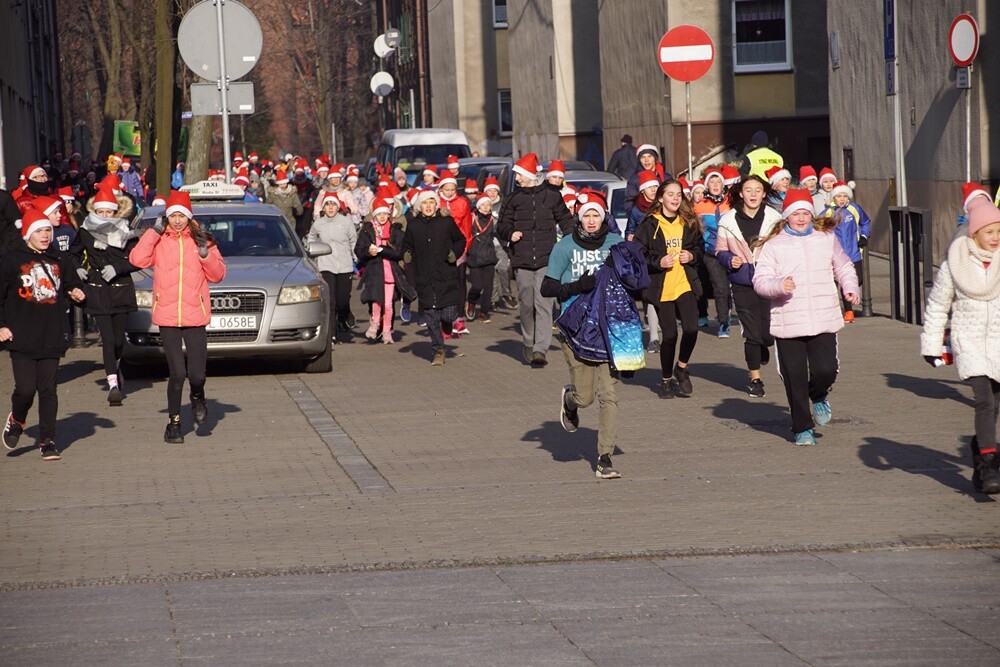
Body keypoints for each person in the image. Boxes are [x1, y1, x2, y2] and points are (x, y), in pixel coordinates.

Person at [752, 189, 860, 446]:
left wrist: (850, 288)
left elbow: (843, 266)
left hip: (823, 318)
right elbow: (760, 280)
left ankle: (819, 395)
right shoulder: (774, 245)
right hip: (788, 320)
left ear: (812, 214)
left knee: (826, 370)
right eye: (795, 214)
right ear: (786, 216)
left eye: (805, 213)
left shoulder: (825, 237)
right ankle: (802, 428)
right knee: (794, 376)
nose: (801, 219)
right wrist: (779, 285)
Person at [128, 191, 226, 444]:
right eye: (173, 216)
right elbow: (137, 259)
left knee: (197, 375)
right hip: (168, 315)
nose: (178, 220)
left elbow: (218, 275)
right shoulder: (160, 239)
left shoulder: (202, 239)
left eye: (182, 215)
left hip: (195, 314)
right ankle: (174, 425)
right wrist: (153, 232)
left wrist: (205, 254)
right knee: (177, 374)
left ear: (189, 216)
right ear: (166, 217)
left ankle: (198, 396)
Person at [541, 190, 625, 479]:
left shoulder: (616, 243)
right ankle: (570, 401)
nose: (591, 220)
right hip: (574, 328)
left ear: (604, 218)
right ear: (579, 217)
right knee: (586, 397)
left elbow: (632, 280)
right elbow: (548, 288)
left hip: (607, 329)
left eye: (596, 215)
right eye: (586, 215)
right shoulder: (564, 247)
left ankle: (604, 458)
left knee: (609, 395)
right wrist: (578, 286)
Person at [921, 198, 1000, 494]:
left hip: (998, 341)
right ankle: (990, 464)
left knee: (995, 405)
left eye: (999, 231)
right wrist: (931, 344)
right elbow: (938, 305)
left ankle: (981, 459)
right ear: (974, 233)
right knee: (984, 400)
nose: (995, 238)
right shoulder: (956, 262)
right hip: (968, 340)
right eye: (989, 232)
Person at [0, 208, 87, 459]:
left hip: (52, 333)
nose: (45, 235)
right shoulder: (11, 259)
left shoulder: (60, 259)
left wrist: (78, 293)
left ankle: (48, 440)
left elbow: (71, 285)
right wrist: (2, 324)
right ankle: (17, 419)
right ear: (28, 234)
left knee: (48, 390)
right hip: (21, 335)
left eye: (48, 230)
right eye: (39, 230)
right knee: (26, 389)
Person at [497, 153, 576, 367]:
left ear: (530, 175)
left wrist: (572, 242)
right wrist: (510, 233)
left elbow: (566, 220)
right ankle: (528, 341)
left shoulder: (551, 195)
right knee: (527, 304)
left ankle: (540, 349)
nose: (517, 179)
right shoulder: (513, 199)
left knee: (544, 304)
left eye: (519, 175)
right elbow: (501, 226)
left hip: (547, 259)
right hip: (522, 260)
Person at [69, 188, 141, 406]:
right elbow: (72, 254)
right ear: (94, 210)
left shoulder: (125, 231)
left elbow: (137, 259)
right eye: (100, 211)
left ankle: (116, 370)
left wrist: (117, 267)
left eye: (108, 212)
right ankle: (113, 386)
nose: (104, 215)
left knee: (119, 341)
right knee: (108, 340)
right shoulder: (85, 231)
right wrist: (77, 270)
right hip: (97, 289)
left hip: (120, 288)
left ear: (115, 212)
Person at [634, 180, 704, 399]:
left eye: (679, 194)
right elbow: (638, 255)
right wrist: (658, 262)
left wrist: (692, 256)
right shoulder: (649, 225)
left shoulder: (688, 222)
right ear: (661, 198)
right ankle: (665, 380)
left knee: (692, 329)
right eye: (670, 194)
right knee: (670, 335)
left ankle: (681, 368)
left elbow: (700, 249)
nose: (675, 198)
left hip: (684, 283)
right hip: (661, 288)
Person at [715, 175, 781, 397]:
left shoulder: (775, 219)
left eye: (757, 190)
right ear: (741, 193)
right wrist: (728, 260)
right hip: (742, 279)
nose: (753, 194)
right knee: (751, 333)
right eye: (748, 190)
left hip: (767, 279)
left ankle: (764, 344)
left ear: (764, 193)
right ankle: (756, 379)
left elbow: (783, 248)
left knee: (767, 334)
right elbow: (720, 251)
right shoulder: (727, 221)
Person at [388, 189, 465, 366]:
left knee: (448, 313)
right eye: (424, 203)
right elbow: (407, 246)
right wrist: (406, 254)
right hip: (425, 277)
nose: (428, 206)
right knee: (430, 316)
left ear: (437, 204)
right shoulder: (414, 226)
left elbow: (460, 240)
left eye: (431, 202)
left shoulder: (446, 222)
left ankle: (447, 323)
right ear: (418, 207)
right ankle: (438, 350)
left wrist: (454, 253)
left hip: (446, 275)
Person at [355, 190, 412, 345]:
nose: (382, 217)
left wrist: (382, 250)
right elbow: (358, 250)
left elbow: (400, 252)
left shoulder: (395, 229)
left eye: (385, 214)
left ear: (389, 214)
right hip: (375, 271)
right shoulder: (368, 229)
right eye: (379, 214)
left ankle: (387, 331)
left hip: (391, 272)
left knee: (388, 304)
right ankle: (374, 325)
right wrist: (368, 251)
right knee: (376, 301)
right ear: (374, 215)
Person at [307, 191, 357, 342]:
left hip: (345, 265)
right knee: (331, 301)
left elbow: (353, 239)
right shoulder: (318, 223)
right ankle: (332, 333)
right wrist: (311, 253)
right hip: (325, 265)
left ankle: (346, 313)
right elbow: (311, 238)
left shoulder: (346, 222)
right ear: (323, 207)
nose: (330, 208)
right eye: (327, 204)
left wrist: (355, 256)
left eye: (333, 204)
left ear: (338, 207)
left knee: (342, 300)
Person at [693, 167, 733, 337]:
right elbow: (696, 231)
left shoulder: (731, 203)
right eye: (712, 182)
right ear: (706, 184)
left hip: (732, 250)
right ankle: (723, 323)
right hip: (711, 252)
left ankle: (727, 316)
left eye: (718, 182)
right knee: (720, 287)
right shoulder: (700, 207)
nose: (715, 185)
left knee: (731, 288)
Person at [825, 180, 871, 322]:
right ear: (834, 197)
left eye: (845, 196)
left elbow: (866, 222)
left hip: (854, 252)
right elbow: (819, 228)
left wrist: (863, 235)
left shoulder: (854, 208)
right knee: (836, 283)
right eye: (839, 196)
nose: (842, 199)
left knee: (858, 279)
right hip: (835, 255)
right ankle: (847, 311)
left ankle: (846, 302)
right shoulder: (828, 212)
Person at [465, 194, 498, 322]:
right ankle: (471, 302)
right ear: (478, 206)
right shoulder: (472, 218)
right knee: (477, 286)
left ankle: (484, 313)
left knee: (488, 288)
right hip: (474, 258)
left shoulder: (493, 219)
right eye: (483, 205)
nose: (486, 207)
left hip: (489, 257)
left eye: (488, 205)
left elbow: (499, 233)